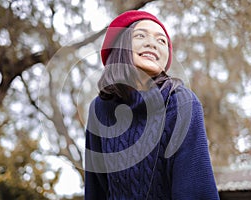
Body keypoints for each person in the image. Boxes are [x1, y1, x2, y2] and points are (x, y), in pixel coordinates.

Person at [84, 10, 220, 200]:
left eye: (161, 40)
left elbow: (196, 191)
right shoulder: (100, 109)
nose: (153, 43)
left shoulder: (182, 103)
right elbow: (95, 190)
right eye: (141, 35)